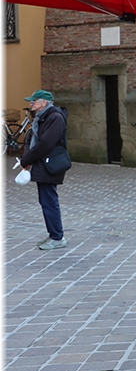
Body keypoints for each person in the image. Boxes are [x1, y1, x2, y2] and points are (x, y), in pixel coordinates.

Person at [19, 90, 69, 251]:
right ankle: (53, 234)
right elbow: (33, 140)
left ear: (44, 102)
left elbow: (45, 144)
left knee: (49, 201)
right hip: (43, 163)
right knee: (46, 200)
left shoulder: (55, 117)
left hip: (50, 163)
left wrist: (27, 159)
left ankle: (57, 237)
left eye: (34, 101)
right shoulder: (42, 117)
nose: (31, 104)